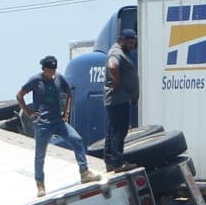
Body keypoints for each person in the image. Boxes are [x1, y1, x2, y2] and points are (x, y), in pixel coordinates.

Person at [17, 54, 100, 196]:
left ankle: (84, 172)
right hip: (43, 124)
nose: (53, 72)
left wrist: (67, 111)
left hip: (58, 121)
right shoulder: (36, 80)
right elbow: (19, 95)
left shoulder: (60, 78)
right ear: (44, 69)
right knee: (40, 155)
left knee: (77, 140)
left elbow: (69, 92)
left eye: (54, 69)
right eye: (50, 69)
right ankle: (40, 185)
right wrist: (28, 112)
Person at [102, 28, 138, 173]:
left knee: (113, 130)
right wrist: (116, 80)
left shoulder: (123, 52)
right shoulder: (116, 52)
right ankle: (117, 163)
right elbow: (112, 65)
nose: (131, 46)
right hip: (118, 99)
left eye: (133, 43)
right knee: (119, 131)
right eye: (129, 43)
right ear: (121, 40)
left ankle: (110, 160)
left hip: (121, 99)